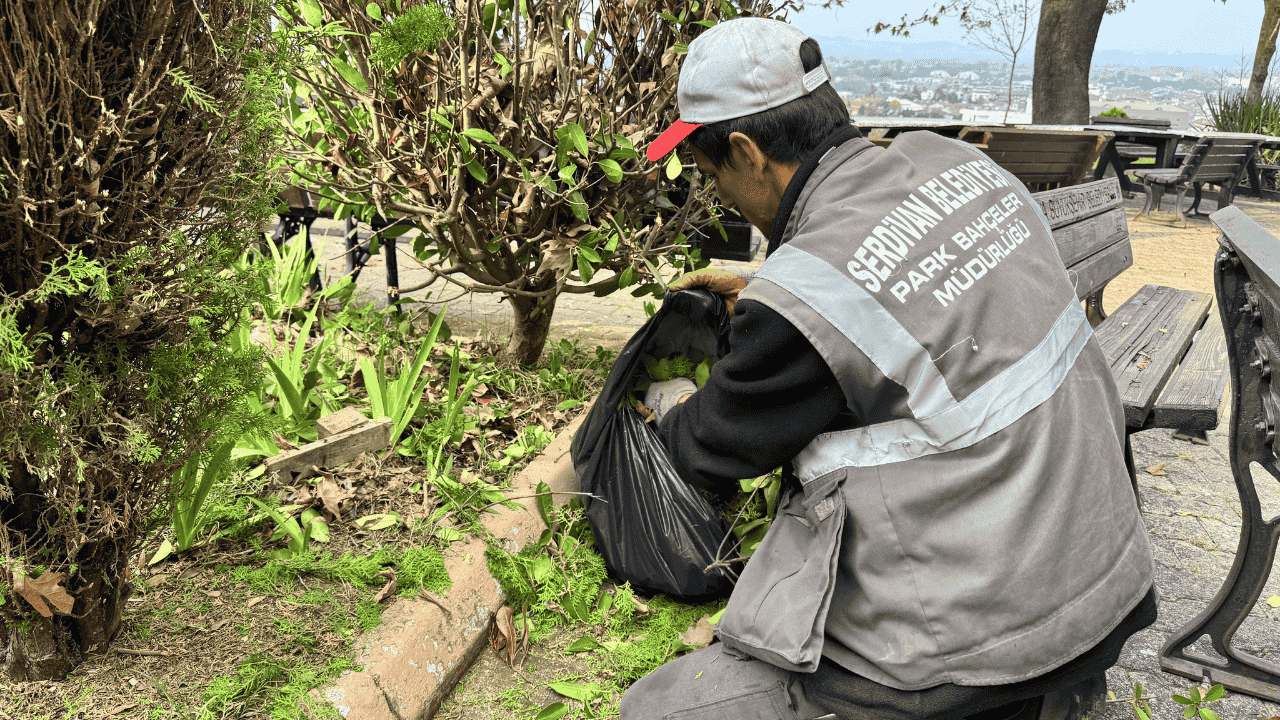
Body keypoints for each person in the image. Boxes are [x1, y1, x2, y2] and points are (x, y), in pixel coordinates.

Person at [623, 16, 1157, 720]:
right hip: (1108, 576)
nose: (716, 190)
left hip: (988, 644)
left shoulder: (807, 297)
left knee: (657, 708)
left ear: (748, 152)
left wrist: (663, 409)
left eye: (708, 167)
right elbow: (920, 297)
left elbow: (714, 446)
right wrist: (772, 301)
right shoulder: (953, 162)